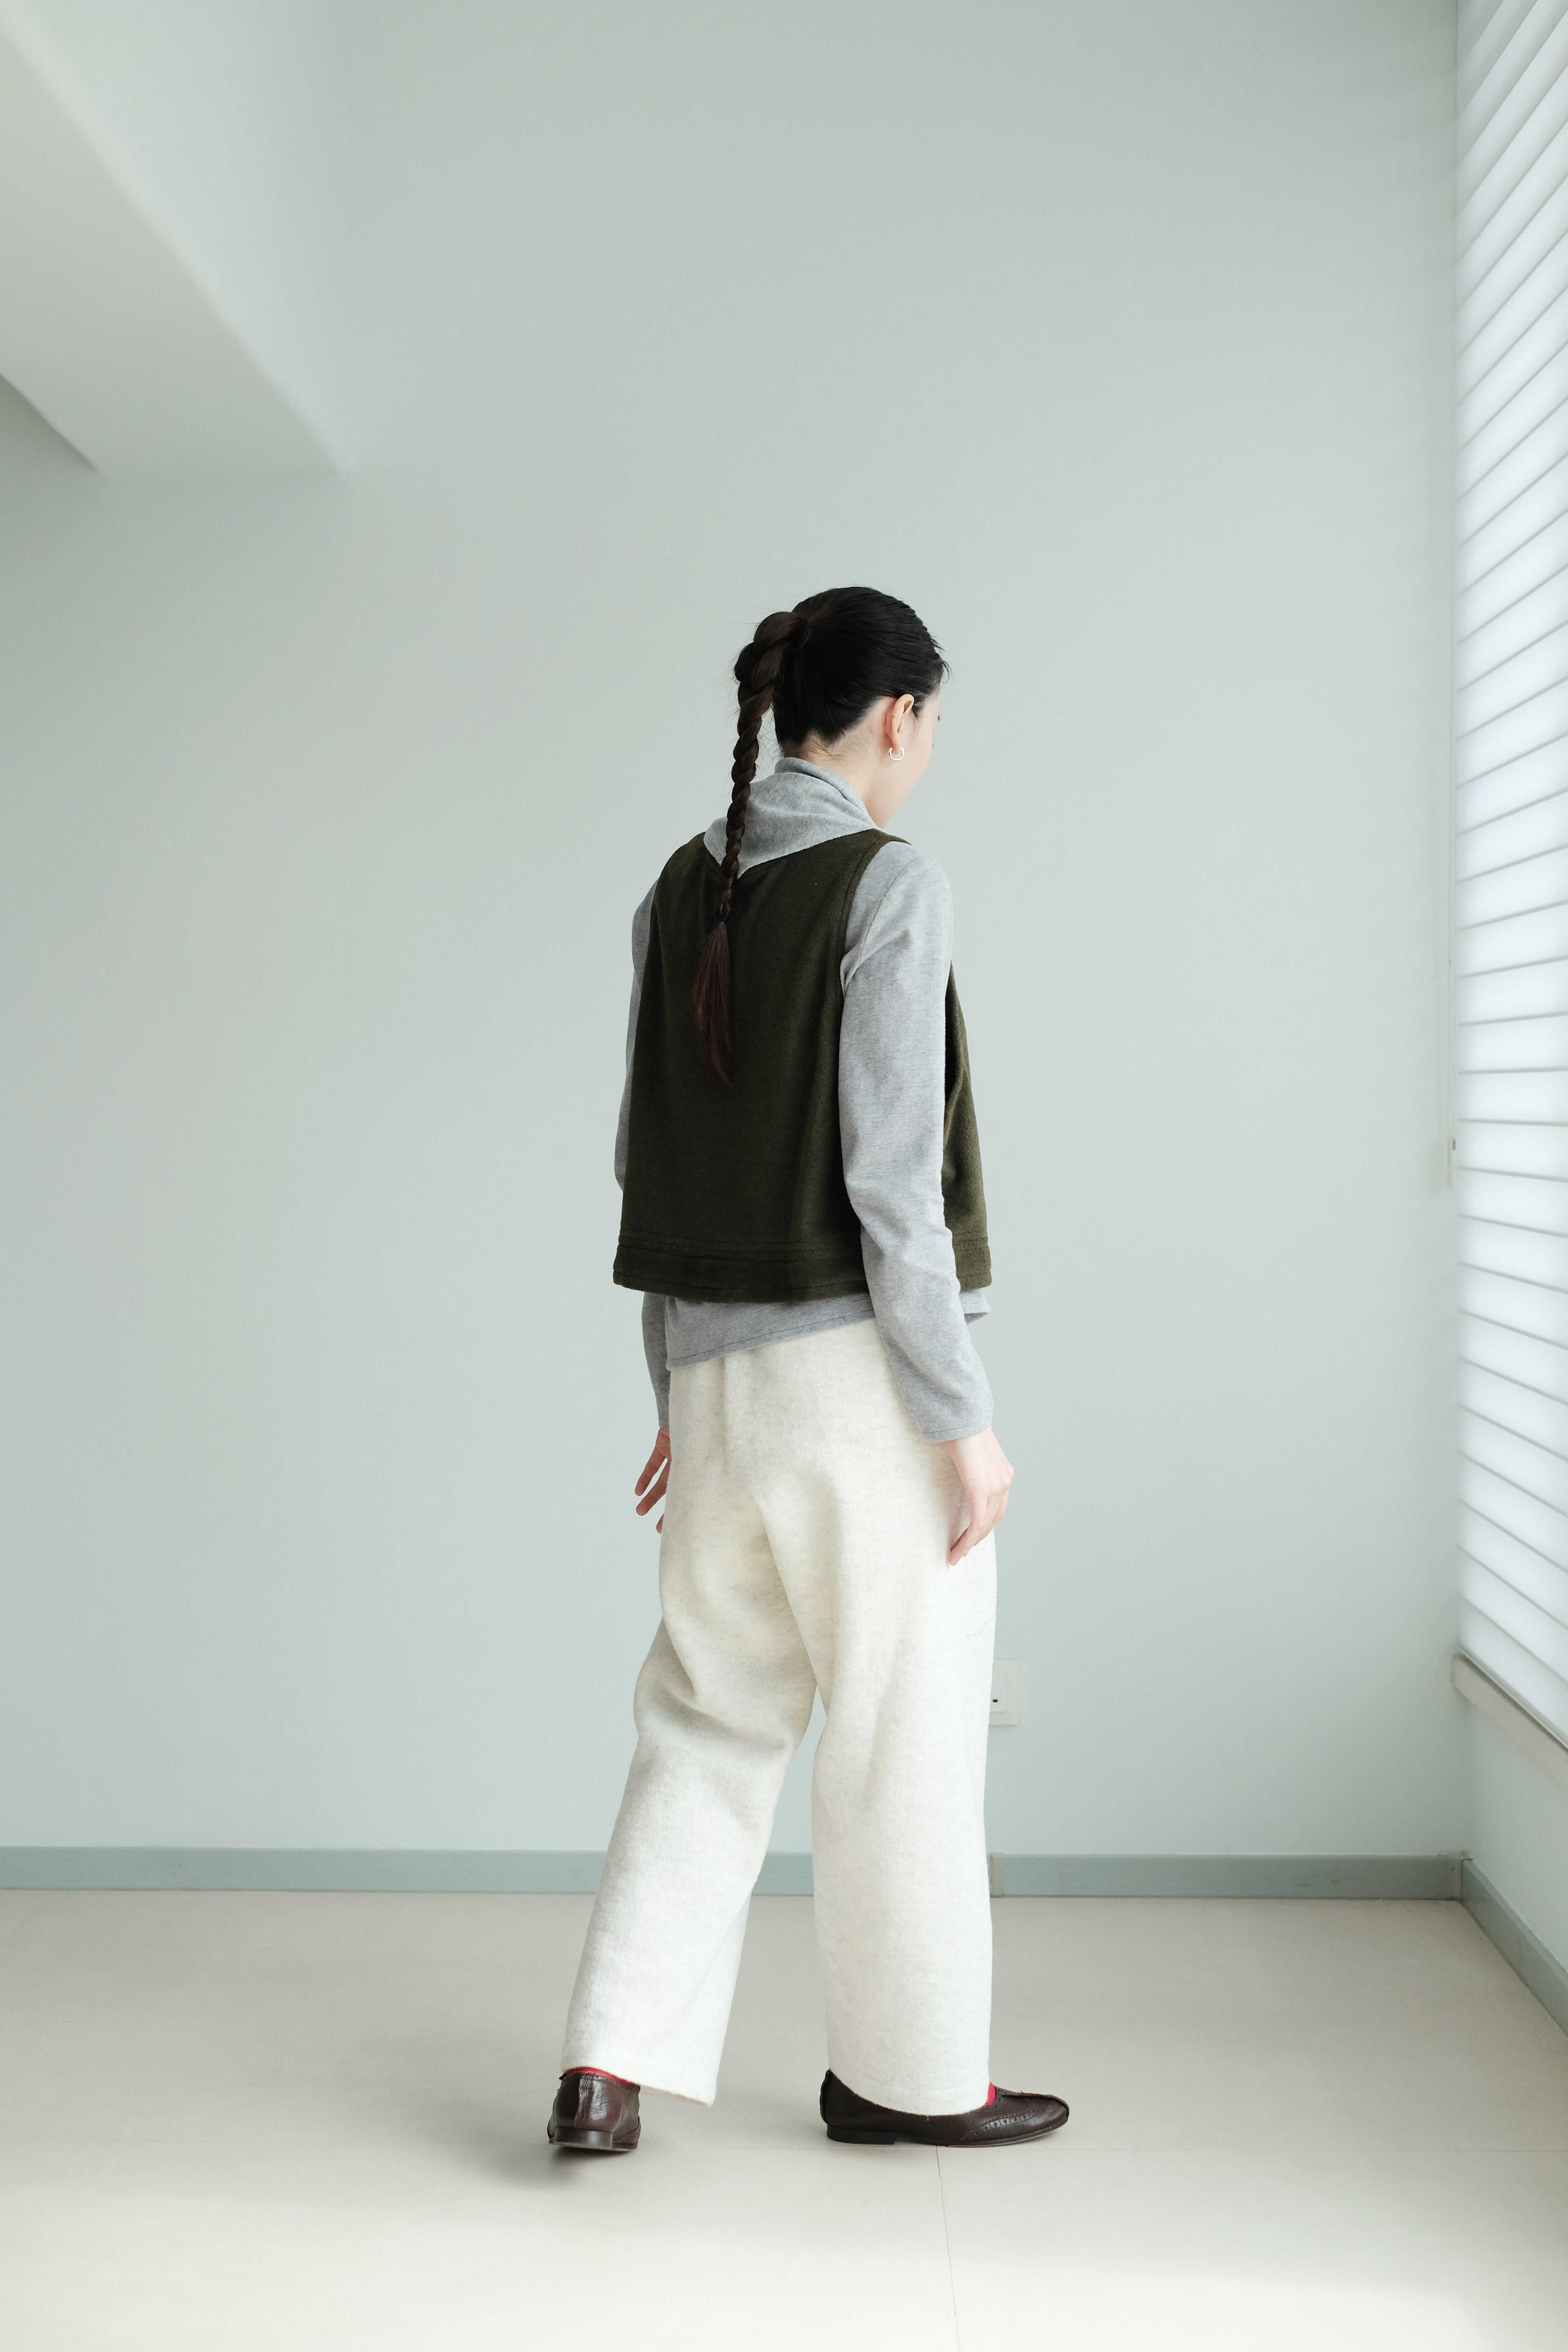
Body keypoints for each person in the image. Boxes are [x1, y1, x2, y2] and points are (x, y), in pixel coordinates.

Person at [548, 587, 1069, 2154]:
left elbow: (650, 1170)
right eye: (932, 725)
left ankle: (603, 2066)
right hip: (859, 1392)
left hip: (713, 1387)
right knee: (904, 1735)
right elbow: (891, 1187)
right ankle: (914, 2079)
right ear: (898, 716)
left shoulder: (677, 889)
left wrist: (677, 1393)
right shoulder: (890, 884)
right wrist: (961, 1420)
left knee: (706, 1721)